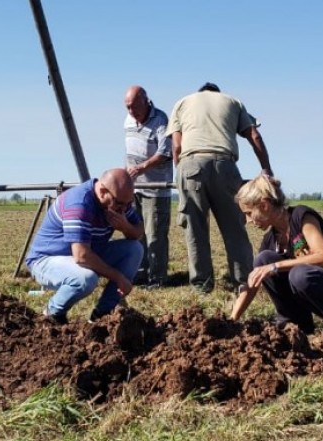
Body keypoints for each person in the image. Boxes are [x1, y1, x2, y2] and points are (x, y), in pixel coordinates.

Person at [229, 175, 323, 346]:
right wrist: (231, 320)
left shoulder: (301, 216)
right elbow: (254, 281)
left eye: (249, 213)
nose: (248, 221)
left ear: (264, 205)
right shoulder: (271, 239)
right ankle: (295, 324)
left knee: (299, 274)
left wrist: (276, 266)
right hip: (316, 296)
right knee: (263, 260)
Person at [167, 82, 273, 293]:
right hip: (224, 165)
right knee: (234, 228)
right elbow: (254, 136)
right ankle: (244, 283)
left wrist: (182, 173)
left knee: (195, 230)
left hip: (190, 164)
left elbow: (176, 146)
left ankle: (201, 286)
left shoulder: (182, 103)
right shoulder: (233, 102)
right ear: (218, 93)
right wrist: (266, 169)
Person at [25, 168, 145, 323]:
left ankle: (103, 314)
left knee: (134, 249)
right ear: (103, 192)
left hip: (86, 253)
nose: (124, 210)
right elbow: (81, 256)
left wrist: (125, 227)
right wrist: (119, 278)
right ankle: (52, 314)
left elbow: (138, 232)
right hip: (47, 260)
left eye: (128, 204)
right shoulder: (79, 203)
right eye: (120, 204)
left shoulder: (119, 200)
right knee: (85, 279)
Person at [123, 85, 173, 288]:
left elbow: (165, 152)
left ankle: (158, 278)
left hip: (155, 188)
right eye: (127, 107)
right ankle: (140, 273)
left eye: (134, 106)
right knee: (136, 233)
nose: (131, 111)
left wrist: (141, 167)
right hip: (134, 188)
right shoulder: (127, 121)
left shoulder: (161, 120)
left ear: (146, 101)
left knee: (155, 235)